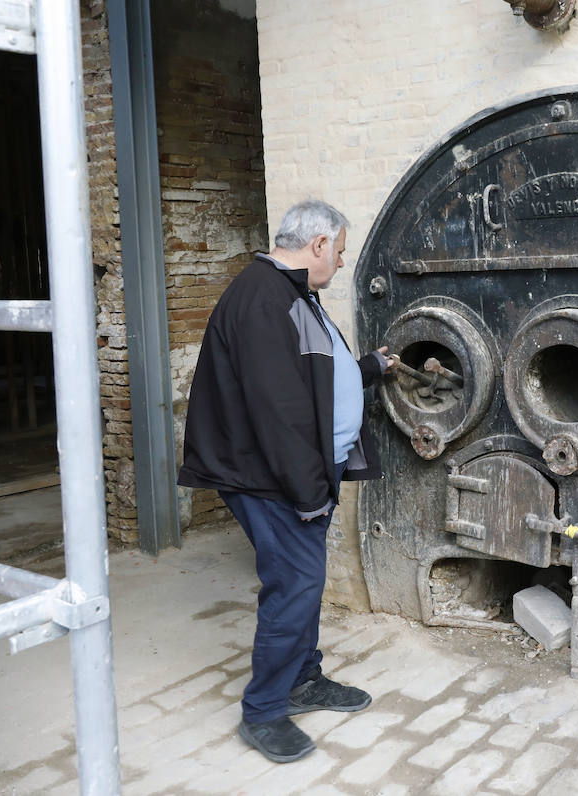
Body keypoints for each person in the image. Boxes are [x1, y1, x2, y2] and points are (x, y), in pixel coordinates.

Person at [177, 199, 396, 763]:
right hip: (271, 479)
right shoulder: (263, 300)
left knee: (304, 582)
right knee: (294, 586)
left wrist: (368, 367)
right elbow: (279, 410)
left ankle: (303, 678)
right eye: (341, 251)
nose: (342, 263)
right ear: (318, 244)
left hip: (290, 476)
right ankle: (265, 710)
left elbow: (315, 370)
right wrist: (307, 495)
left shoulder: (292, 294)